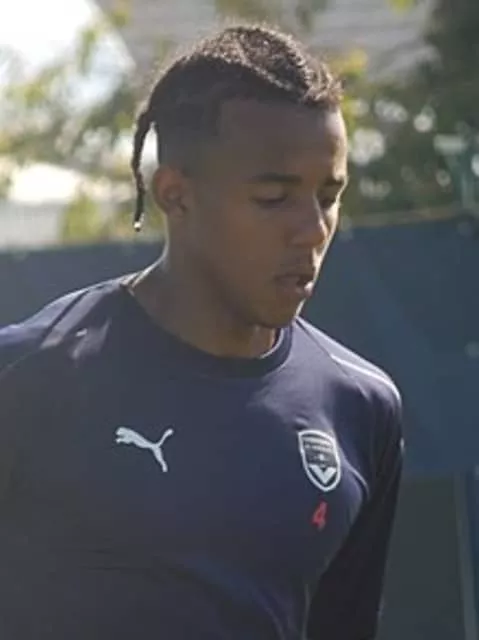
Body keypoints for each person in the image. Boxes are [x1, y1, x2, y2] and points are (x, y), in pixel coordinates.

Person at [0, 24, 403, 640]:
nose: (313, 229)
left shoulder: (361, 407)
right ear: (175, 195)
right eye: (274, 197)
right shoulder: (29, 378)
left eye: (328, 196)